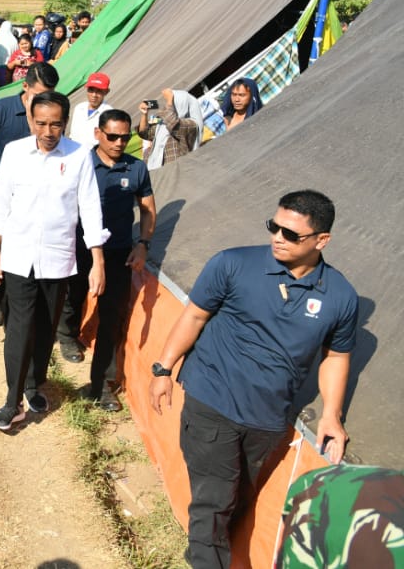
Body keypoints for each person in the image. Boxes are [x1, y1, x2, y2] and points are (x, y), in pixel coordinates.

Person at [149, 190, 358, 569]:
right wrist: (163, 369)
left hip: (267, 418)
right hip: (212, 398)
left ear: (321, 240)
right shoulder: (232, 264)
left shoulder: (340, 296)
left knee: (236, 500)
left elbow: (336, 356)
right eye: (274, 227)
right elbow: (194, 317)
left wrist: (332, 414)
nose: (278, 237)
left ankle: (201, 551)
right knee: (214, 500)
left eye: (291, 234)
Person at [0, 91, 107, 430]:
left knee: (46, 328)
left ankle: (33, 384)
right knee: (20, 327)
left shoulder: (80, 156)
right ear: (31, 121)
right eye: (41, 123)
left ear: (65, 123)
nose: (48, 131)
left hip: (58, 256)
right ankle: (12, 403)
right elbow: (2, 201)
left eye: (55, 124)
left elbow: (90, 209)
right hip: (18, 254)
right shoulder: (14, 153)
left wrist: (97, 260)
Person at [58, 110, 156, 411]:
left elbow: (148, 208)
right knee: (73, 296)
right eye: (112, 136)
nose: (119, 142)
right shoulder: (80, 163)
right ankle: (67, 334)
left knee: (111, 317)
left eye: (125, 137)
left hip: (117, 252)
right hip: (80, 247)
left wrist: (143, 245)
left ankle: (102, 385)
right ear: (98, 134)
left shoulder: (136, 168)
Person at [0, 62, 60, 326]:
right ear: (25, 87)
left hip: (36, 200)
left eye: (50, 94)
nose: (45, 101)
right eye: (39, 94)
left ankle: (19, 303)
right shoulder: (0, 111)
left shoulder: (53, 117)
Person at [137, 88, 203, 169]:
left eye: (174, 103)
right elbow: (145, 133)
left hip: (175, 172)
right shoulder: (164, 124)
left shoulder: (192, 125)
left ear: (183, 104)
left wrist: (169, 100)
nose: (169, 105)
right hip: (156, 171)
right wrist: (144, 114)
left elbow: (174, 124)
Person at [67, 72, 114, 145]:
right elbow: (72, 135)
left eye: (99, 91)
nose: (94, 95)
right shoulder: (79, 108)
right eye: (91, 90)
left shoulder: (109, 113)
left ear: (106, 92)